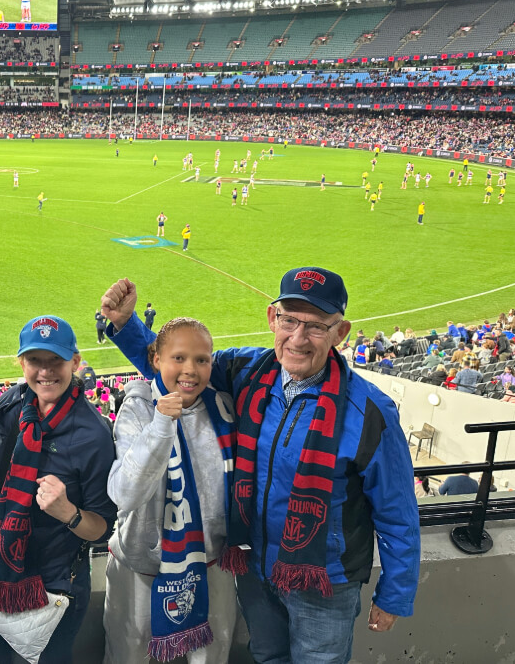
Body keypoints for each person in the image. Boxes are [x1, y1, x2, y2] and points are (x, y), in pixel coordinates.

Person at [101, 269, 420, 663]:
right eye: (289, 320)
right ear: (273, 318)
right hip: (254, 570)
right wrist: (125, 324)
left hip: (325, 583)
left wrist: (395, 594)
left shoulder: (370, 410)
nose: (298, 338)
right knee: (267, 657)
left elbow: (397, 511)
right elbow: (179, 369)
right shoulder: (247, 371)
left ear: (341, 332)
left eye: (316, 326)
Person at [0, 315, 116, 664]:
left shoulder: (93, 435)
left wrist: (68, 512)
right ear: (21, 362)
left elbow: (102, 529)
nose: (45, 371)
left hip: (53, 586)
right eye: (36, 360)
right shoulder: (10, 406)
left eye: (57, 361)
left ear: (76, 363)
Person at [103, 317, 238, 664]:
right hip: (140, 565)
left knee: (212, 653)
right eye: (178, 358)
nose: (190, 370)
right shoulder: (136, 409)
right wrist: (161, 424)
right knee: (129, 652)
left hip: (211, 562)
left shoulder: (223, 407)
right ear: (155, 360)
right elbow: (125, 493)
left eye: (202, 360)